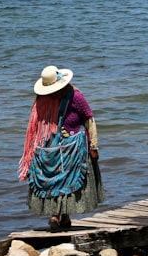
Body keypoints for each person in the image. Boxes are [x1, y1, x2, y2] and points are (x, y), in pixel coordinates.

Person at [18, 64, 104, 232]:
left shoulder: (77, 97)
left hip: (73, 146)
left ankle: (57, 216)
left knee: (67, 179)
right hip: (52, 144)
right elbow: (37, 124)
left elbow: (89, 120)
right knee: (53, 179)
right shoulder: (45, 100)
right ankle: (64, 218)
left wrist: (94, 146)